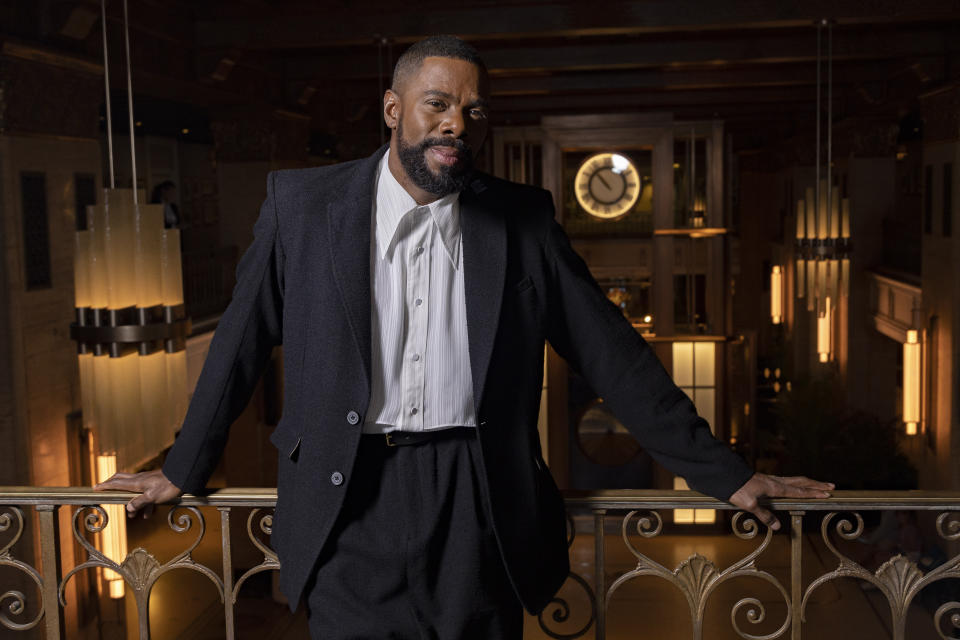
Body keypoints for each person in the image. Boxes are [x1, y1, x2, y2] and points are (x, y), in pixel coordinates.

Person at [96, 35, 833, 639]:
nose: (456, 123)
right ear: (393, 110)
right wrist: (183, 465)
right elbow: (240, 343)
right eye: (438, 104)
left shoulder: (524, 218)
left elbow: (613, 353)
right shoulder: (302, 207)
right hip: (348, 495)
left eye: (472, 112)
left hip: (479, 498)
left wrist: (724, 473)